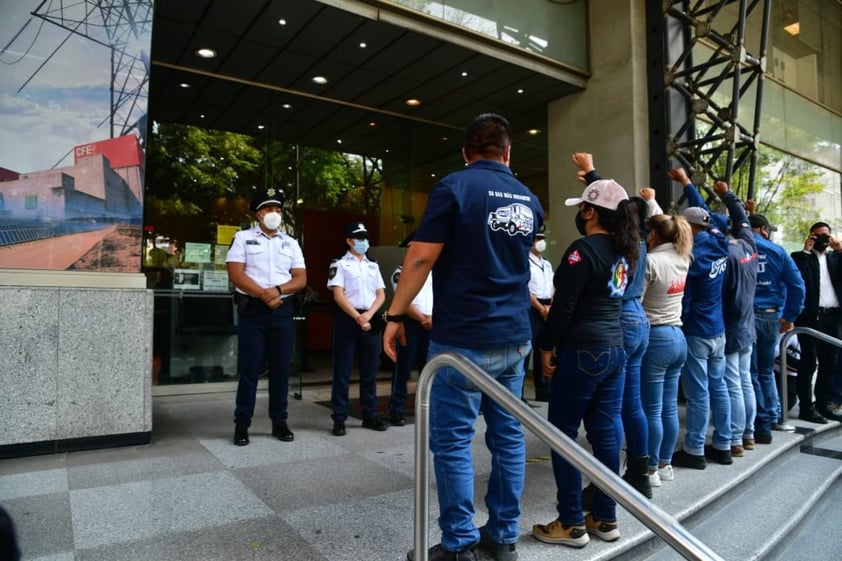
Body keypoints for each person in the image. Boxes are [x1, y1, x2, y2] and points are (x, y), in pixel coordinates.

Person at [383, 113, 544, 561]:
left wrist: (394, 315)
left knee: (453, 442)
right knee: (508, 438)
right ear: (508, 153)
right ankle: (504, 536)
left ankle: (459, 544)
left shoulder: (454, 186)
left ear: (465, 153)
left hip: (462, 341)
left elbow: (420, 257)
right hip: (514, 339)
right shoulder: (530, 199)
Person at [532, 178, 639, 549]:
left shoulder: (582, 250)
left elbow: (563, 308)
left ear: (591, 211)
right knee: (607, 435)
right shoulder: (628, 250)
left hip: (583, 351)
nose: (579, 214)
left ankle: (571, 522)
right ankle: (605, 517)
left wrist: (545, 346)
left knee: (562, 436)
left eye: (581, 207)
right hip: (614, 350)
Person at [572, 153, 652, 502]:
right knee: (631, 404)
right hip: (638, 319)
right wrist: (592, 175)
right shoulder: (639, 242)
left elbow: (609, 206)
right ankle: (639, 474)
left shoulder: (621, 240)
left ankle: (607, 479)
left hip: (616, 319)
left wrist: (593, 174)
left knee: (607, 409)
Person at [226, 188, 307, 446]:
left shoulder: (291, 242)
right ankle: (242, 423)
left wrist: (278, 291)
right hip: (254, 310)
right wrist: (263, 294)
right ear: (259, 213)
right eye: (269, 209)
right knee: (249, 370)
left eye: (278, 209)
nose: (275, 214)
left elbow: (301, 279)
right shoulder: (242, 238)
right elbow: (236, 274)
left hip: (282, 311)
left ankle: (279, 421)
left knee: (282, 369)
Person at [668, 167, 732, 470]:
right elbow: (704, 213)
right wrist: (686, 184)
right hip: (718, 330)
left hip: (698, 331)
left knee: (697, 393)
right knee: (718, 387)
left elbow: (686, 298)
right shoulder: (719, 240)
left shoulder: (692, 258)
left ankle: (694, 449)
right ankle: (723, 444)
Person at [639, 211, 693, 487]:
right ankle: (665, 463)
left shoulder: (650, 261)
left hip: (656, 337)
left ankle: (649, 469)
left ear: (653, 234)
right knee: (668, 408)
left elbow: (637, 300)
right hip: (677, 337)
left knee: (651, 408)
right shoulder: (683, 257)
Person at [328, 221, 389, 436]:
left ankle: (370, 415)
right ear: (349, 240)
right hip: (348, 319)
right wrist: (357, 317)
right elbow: (338, 295)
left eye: (365, 238)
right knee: (342, 372)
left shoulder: (373, 265)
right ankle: (339, 418)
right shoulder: (340, 264)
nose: (363, 242)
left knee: (370, 371)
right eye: (358, 238)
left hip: (369, 319)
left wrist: (369, 316)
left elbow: (381, 294)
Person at [748, 213, 805, 443]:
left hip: (746, 317)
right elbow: (797, 286)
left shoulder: (737, 248)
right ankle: (773, 415)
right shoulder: (777, 251)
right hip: (772, 316)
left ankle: (759, 420)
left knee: (750, 373)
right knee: (765, 370)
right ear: (763, 229)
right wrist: (789, 316)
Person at [790, 222, 842, 423]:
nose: (822, 240)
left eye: (825, 236)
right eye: (818, 236)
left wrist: (840, 250)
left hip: (833, 317)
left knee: (830, 362)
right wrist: (806, 250)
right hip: (811, 318)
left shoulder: (835, 258)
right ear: (811, 236)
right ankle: (806, 407)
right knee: (809, 362)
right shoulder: (801, 257)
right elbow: (796, 276)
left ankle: (823, 403)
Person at [388, 232, 433, 426]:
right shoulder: (400, 273)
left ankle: (426, 407)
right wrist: (422, 319)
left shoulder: (434, 272)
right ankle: (396, 409)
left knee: (429, 368)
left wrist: (433, 319)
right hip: (410, 324)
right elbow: (402, 301)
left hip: (433, 324)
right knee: (403, 368)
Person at [524, 223, 554, 402]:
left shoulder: (547, 264)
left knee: (544, 349)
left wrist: (550, 306)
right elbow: (525, 289)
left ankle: (544, 391)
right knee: (527, 349)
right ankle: (518, 393)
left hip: (548, 306)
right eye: (537, 239)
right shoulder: (525, 262)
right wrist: (540, 308)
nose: (540, 242)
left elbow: (553, 285)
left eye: (542, 239)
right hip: (533, 307)